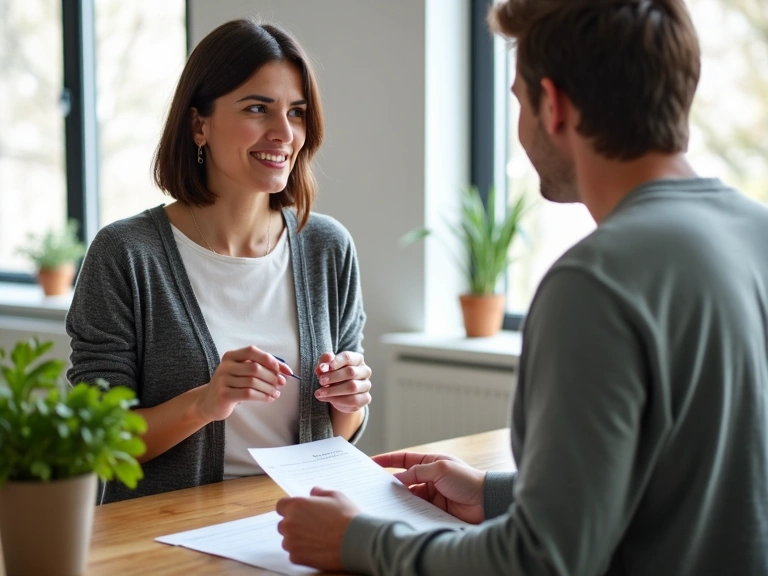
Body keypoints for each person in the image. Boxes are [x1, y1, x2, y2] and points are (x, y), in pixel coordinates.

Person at [274, 0, 768, 574]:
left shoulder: (596, 283)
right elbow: (687, 479)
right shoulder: (757, 232)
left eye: (517, 99)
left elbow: (542, 560)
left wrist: (358, 541)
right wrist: (494, 494)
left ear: (553, 105)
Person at [66, 19, 372, 505]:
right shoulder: (125, 254)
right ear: (198, 124)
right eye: (257, 108)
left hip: (300, 521)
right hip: (169, 531)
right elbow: (97, 443)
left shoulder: (327, 246)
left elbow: (343, 433)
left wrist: (350, 400)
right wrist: (206, 402)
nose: (283, 133)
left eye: (296, 112)